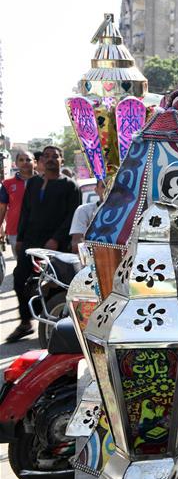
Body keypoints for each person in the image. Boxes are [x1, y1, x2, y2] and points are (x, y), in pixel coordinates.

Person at [8, 146, 81, 342]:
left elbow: (71, 217)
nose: (50, 159)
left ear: (61, 161)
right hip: (30, 242)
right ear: (41, 162)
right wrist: (21, 238)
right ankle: (25, 323)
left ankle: (53, 323)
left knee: (53, 285)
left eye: (54, 156)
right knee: (20, 280)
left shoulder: (70, 186)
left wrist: (56, 239)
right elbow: (25, 212)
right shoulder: (33, 183)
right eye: (46, 156)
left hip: (56, 246)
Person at [0, 152, 36, 250]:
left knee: (39, 263)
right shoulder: (7, 184)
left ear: (35, 163)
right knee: (20, 262)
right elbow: (2, 208)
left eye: (28, 160)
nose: (25, 162)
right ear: (16, 163)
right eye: (21, 160)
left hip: (40, 230)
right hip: (15, 230)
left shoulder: (44, 181)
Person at [69, 179, 106, 250]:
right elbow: (76, 245)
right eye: (105, 185)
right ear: (96, 190)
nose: (109, 188)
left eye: (113, 185)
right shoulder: (83, 210)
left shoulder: (128, 213)